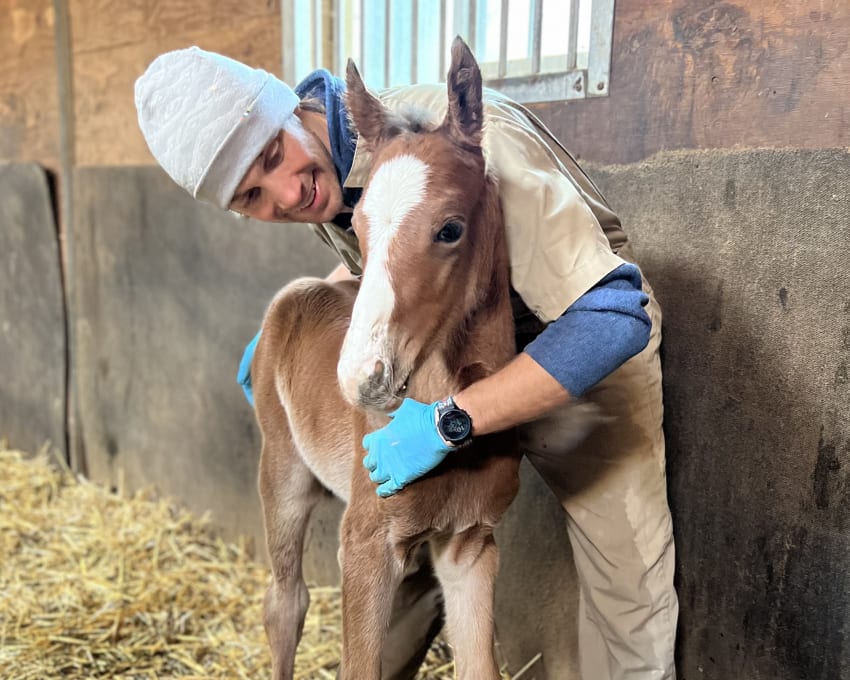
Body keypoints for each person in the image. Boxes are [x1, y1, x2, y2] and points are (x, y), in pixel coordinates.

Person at [135, 44, 678, 680]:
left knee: (626, 582)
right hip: (457, 345)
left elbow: (612, 314)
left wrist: (452, 421)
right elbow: (394, 250)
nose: (286, 193)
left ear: (289, 108)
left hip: (577, 344)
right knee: (404, 540)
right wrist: (288, 329)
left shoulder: (465, 144)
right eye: (252, 196)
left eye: (273, 156)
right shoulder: (332, 167)